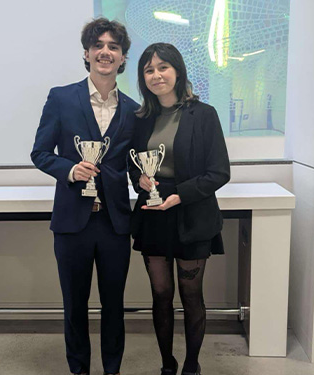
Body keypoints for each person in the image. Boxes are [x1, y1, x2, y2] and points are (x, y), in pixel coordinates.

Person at [31, 18, 138, 375]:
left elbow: (136, 164)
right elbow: (41, 153)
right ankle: (79, 370)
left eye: (113, 47)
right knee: (74, 305)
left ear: (122, 58)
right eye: (98, 45)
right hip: (72, 221)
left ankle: (112, 370)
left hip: (114, 222)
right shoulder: (61, 97)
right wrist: (69, 170)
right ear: (87, 53)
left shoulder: (135, 109)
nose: (105, 52)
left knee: (114, 305)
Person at [129, 43, 230, 375]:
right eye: (148, 70)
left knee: (191, 296)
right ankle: (167, 363)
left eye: (162, 67)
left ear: (177, 71)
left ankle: (191, 364)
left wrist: (181, 195)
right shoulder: (141, 119)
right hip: (153, 212)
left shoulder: (204, 114)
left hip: (192, 212)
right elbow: (134, 165)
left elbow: (219, 172)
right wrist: (140, 181)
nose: (156, 75)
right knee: (160, 294)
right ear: (143, 78)